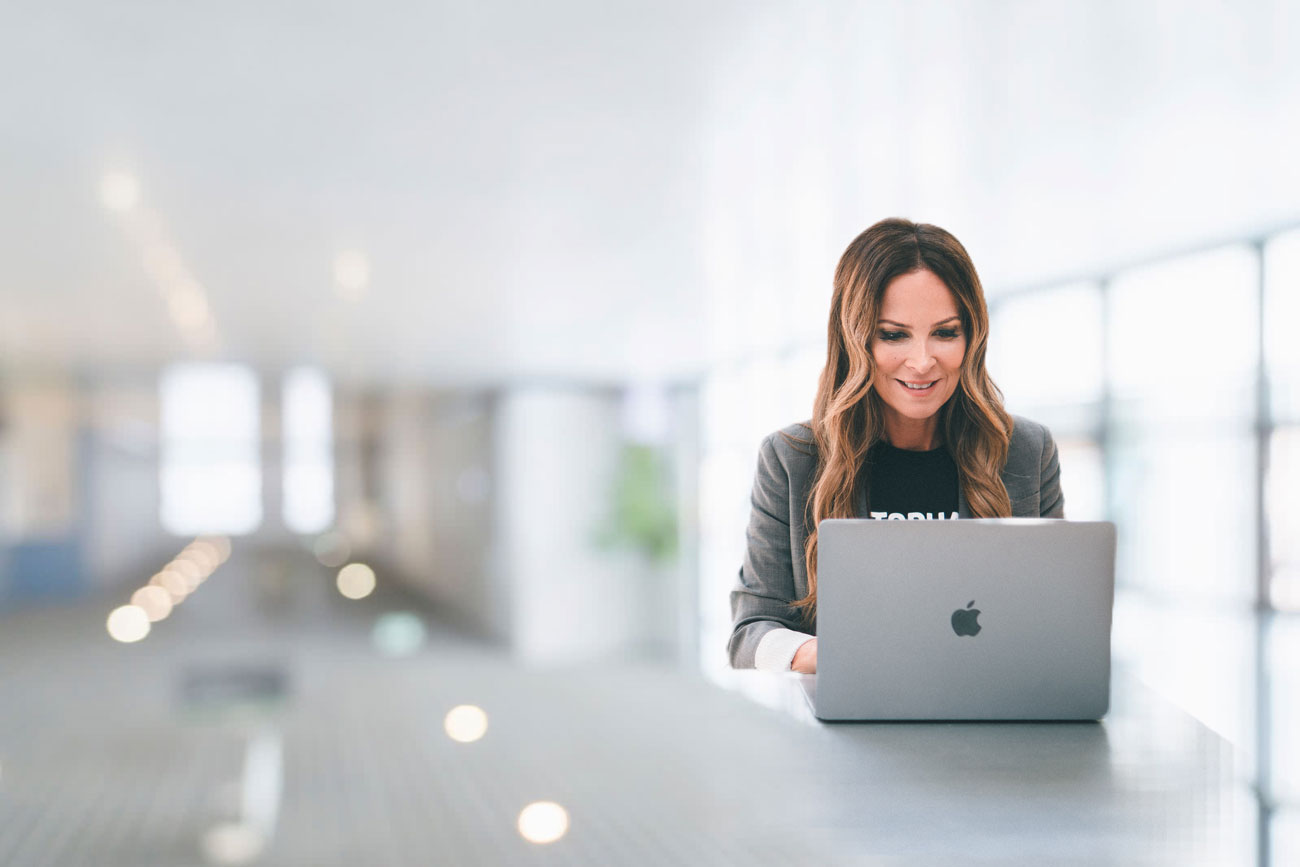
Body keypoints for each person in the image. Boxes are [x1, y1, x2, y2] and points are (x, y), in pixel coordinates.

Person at [727, 218, 1065, 673]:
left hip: (990, 708)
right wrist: (833, 655)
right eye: (893, 334)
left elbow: (1055, 617)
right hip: (850, 712)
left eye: (945, 332)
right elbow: (750, 635)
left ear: (972, 337)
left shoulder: (1026, 450)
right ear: (854, 339)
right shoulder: (792, 459)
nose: (922, 362)